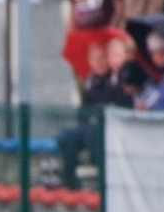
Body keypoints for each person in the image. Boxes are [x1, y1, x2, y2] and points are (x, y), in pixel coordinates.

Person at [57, 40, 132, 188]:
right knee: (67, 135)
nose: (99, 63)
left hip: (113, 125)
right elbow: (84, 112)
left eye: (103, 57)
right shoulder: (91, 82)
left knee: (94, 135)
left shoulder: (121, 78)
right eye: (94, 58)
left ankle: (102, 180)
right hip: (91, 124)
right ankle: (69, 178)